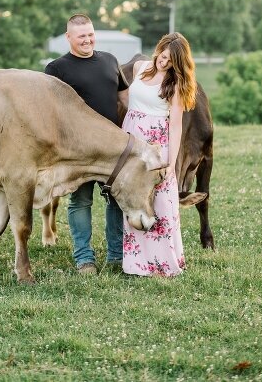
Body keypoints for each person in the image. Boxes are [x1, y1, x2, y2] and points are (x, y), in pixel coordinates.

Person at [44, 14, 129, 274]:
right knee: (80, 202)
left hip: (111, 148)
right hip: (77, 151)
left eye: (90, 34)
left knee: (116, 200)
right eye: (81, 36)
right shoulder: (56, 69)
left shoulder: (110, 61)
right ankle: (84, 259)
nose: (87, 39)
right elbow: (50, 111)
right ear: (68, 37)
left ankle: (116, 257)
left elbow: (125, 100)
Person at [122, 32, 197, 277]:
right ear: (159, 49)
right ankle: (136, 263)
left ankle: (163, 263)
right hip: (131, 142)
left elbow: (175, 125)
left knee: (161, 203)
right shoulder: (139, 67)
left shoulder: (175, 84)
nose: (164, 63)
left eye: (170, 62)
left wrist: (171, 162)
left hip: (157, 147)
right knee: (134, 198)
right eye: (163, 56)